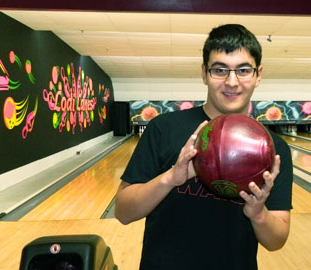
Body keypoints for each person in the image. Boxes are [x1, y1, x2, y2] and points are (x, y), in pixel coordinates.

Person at [115, 24, 293, 270]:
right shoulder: (163, 129)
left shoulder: (274, 149)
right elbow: (123, 212)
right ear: (204, 73)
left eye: (243, 70)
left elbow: (276, 242)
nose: (232, 82)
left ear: (258, 74)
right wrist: (170, 178)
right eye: (220, 70)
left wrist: (258, 213)